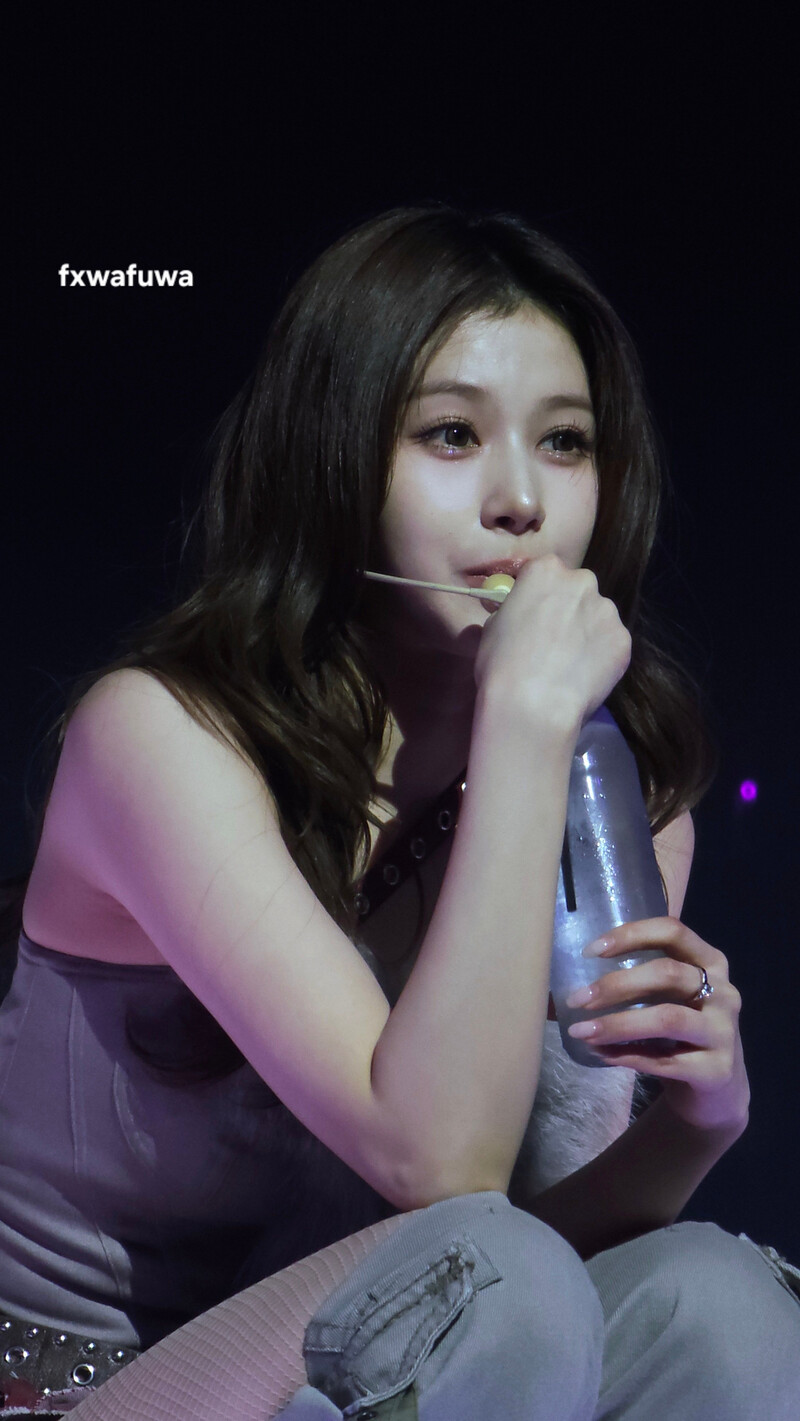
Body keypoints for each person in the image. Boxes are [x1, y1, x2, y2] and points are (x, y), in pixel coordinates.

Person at [1, 206, 798, 1421]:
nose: (519, 499)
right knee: (491, 1272)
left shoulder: (619, 801)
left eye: (565, 442)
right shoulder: (159, 736)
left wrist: (693, 1126)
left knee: (716, 1302)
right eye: (449, 434)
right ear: (333, 457)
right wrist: (521, 728)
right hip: (78, 1392)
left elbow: (526, 1262)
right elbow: (441, 1166)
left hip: (372, 1363)